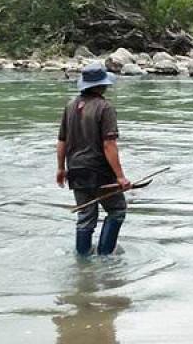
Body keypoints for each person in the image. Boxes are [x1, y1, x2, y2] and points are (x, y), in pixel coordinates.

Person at [56, 62, 131, 256]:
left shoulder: (70, 105)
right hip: (99, 171)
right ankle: (105, 256)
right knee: (117, 210)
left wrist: (61, 168)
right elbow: (109, 145)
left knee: (85, 216)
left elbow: (62, 140)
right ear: (101, 85)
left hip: (75, 169)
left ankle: (83, 260)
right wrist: (120, 177)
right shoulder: (105, 108)